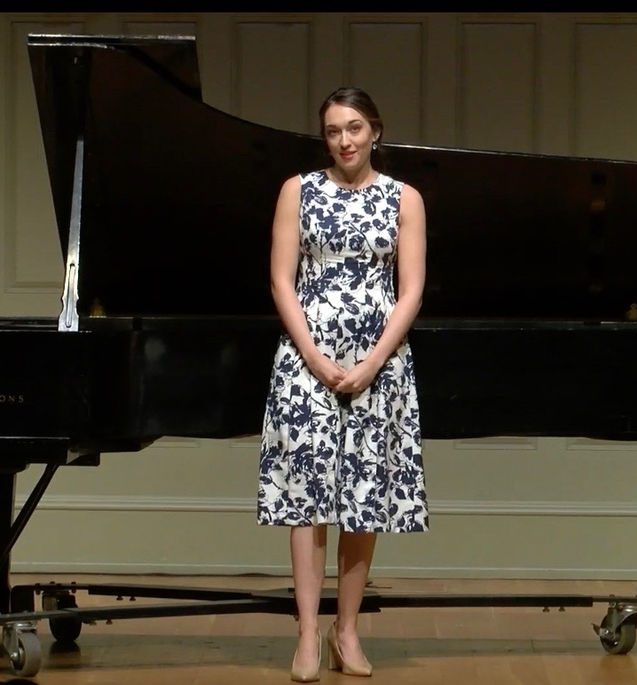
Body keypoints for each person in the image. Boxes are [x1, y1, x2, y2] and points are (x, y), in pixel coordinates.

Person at [257, 86, 429, 682]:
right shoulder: (297, 190)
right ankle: (308, 632)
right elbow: (281, 281)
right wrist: (314, 356)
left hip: (379, 363)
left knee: (364, 494)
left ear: (374, 130)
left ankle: (346, 630)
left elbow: (411, 291)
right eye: (333, 131)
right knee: (307, 498)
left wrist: (372, 362)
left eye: (354, 128)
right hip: (306, 359)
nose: (344, 140)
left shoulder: (404, 197)